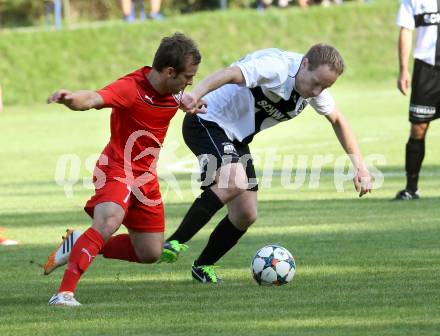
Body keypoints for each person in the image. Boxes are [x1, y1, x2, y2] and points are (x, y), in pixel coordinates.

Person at [159, 44, 373, 283]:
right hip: (208, 119)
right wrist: (194, 95)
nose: (317, 91)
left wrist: (360, 166)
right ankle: (175, 241)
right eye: (316, 83)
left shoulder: (315, 87)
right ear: (304, 64)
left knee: (245, 214)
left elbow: (338, 120)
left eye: (325, 86)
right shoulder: (277, 68)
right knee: (234, 181)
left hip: (235, 136)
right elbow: (228, 73)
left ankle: (203, 266)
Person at [44, 32, 201, 306]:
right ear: (169, 71)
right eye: (187, 77)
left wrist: (190, 100)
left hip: (146, 178)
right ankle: (64, 293)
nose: (190, 83)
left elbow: (184, 98)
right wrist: (70, 99)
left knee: (150, 251)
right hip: (117, 167)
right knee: (109, 220)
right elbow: (93, 98)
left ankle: (80, 242)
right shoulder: (131, 88)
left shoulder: (174, 91)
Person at [394, 0, 440, 200]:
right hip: (426, 69)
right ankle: (411, 188)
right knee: (418, 128)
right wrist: (404, 69)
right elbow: (406, 30)